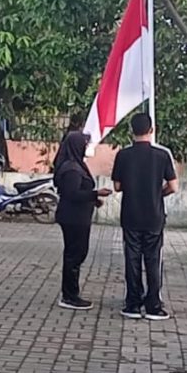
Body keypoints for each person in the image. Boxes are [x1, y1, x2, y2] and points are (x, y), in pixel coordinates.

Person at [111, 112, 179, 321]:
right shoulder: (162, 155)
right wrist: (158, 193)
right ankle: (153, 306)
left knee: (132, 259)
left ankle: (132, 304)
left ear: (131, 131)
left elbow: (117, 186)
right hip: (154, 216)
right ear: (151, 130)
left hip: (130, 215)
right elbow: (173, 186)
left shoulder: (123, 155)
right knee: (153, 259)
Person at [52, 132, 111, 311]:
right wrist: (95, 194)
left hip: (77, 216)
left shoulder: (76, 165)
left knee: (76, 254)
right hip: (73, 218)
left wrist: (93, 200)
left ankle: (71, 293)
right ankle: (70, 295)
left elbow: (78, 192)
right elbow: (72, 194)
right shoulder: (71, 169)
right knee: (74, 255)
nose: (86, 148)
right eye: (84, 145)